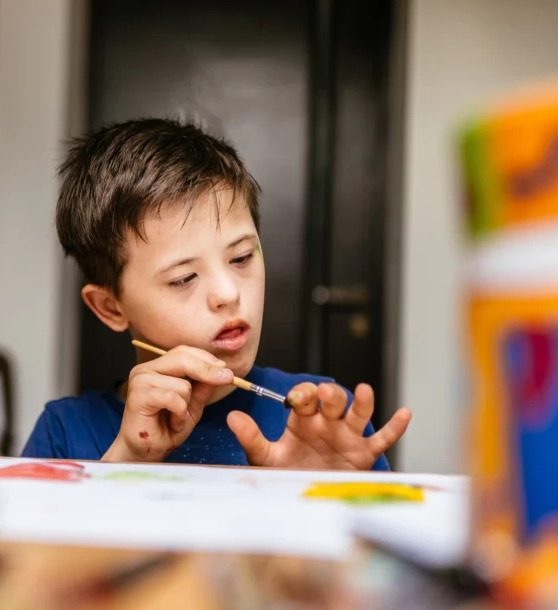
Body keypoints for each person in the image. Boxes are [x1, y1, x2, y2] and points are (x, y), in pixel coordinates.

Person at [23, 118, 412, 469]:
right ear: (110, 306)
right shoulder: (64, 433)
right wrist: (125, 461)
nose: (228, 293)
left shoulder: (322, 418)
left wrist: (326, 497)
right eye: (183, 279)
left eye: (242, 257)